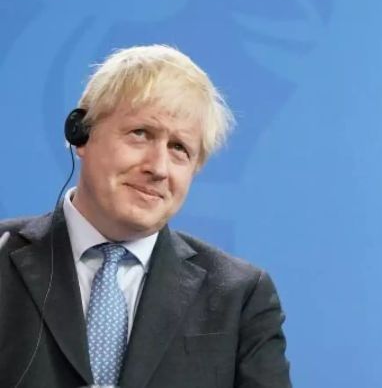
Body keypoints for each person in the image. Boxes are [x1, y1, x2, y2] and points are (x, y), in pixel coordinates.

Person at [0, 45, 292, 387]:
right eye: (141, 134)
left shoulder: (240, 297)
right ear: (82, 134)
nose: (158, 168)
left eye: (179, 149)